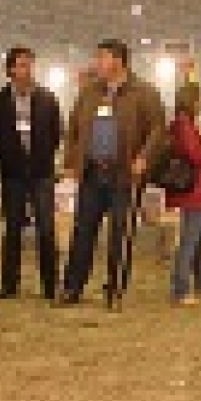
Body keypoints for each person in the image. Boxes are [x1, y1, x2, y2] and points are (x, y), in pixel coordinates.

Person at [59, 39, 166, 305]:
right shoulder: (89, 93)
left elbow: (158, 130)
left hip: (125, 175)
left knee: (120, 232)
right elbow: (73, 128)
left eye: (102, 58)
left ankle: (115, 288)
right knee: (83, 231)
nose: (97, 63)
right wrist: (72, 161)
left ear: (118, 61)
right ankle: (72, 287)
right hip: (92, 172)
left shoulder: (144, 93)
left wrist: (144, 158)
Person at [0, 46, 63, 300]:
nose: (26, 69)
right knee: (13, 228)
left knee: (46, 229)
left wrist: (42, 156)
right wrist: (8, 157)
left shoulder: (47, 98)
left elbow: (55, 132)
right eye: (21, 64)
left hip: (41, 172)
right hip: (13, 173)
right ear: (10, 69)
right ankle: (9, 284)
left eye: (29, 64)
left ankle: (50, 285)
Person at [165, 83, 201, 305]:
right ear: (193, 100)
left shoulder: (186, 124)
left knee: (198, 239)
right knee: (190, 239)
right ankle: (180, 288)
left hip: (199, 189)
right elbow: (195, 155)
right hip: (194, 190)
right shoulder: (184, 124)